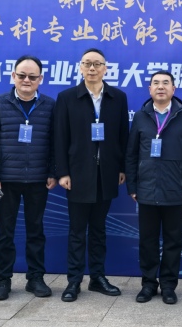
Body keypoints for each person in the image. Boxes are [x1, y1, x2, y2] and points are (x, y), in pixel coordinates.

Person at [53, 48, 128, 302]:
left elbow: (123, 136)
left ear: (105, 68)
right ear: (80, 68)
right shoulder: (67, 97)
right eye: (87, 64)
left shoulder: (118, 97)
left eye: (97, 64)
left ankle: (97, 277)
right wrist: (62, 172)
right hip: (77, 175)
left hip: (106, 174)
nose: (92, 68)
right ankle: (74, 281)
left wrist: (121, 168)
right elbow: (60, 137)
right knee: (77, 231)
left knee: (99, 230)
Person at [0, 55, 57, 301]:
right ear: (13, 76)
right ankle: (3, 280)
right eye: (22, 75)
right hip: (5, 182)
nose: (26, 80)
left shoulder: (50, 105)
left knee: (36, 231)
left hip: (38, 180)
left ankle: (35, 278)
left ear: (40, 79)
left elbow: (56, 143)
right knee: (5, 232)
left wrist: (52, 172)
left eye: (32, 77)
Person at [126, 71, 182, 305]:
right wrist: (132, 186)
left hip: (175, 190)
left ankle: (169, 285)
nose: (161, 87)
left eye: (165, 83)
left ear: (173, 89)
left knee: (173, 241)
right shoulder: (141, 116)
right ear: (149, 89)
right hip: (146, 189)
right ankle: (148, 284)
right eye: (156, 83)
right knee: (147, 241)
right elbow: (131, 154)